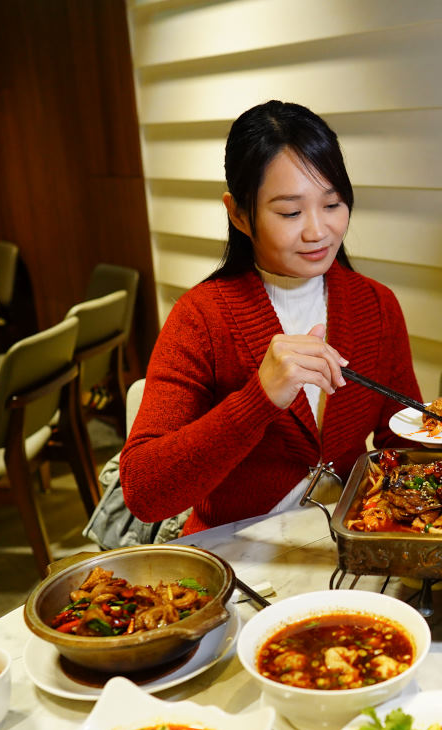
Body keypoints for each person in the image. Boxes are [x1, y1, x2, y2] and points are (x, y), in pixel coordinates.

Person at [121, 100, 422, 533]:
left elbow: (400, 443)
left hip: (348, 542)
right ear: (239, 214)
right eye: (290, 212)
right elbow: (144, 493)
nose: (318, 231)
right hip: (235, 554)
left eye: (333, 204)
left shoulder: (375, 305)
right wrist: (259, 398)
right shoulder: (201, 318)